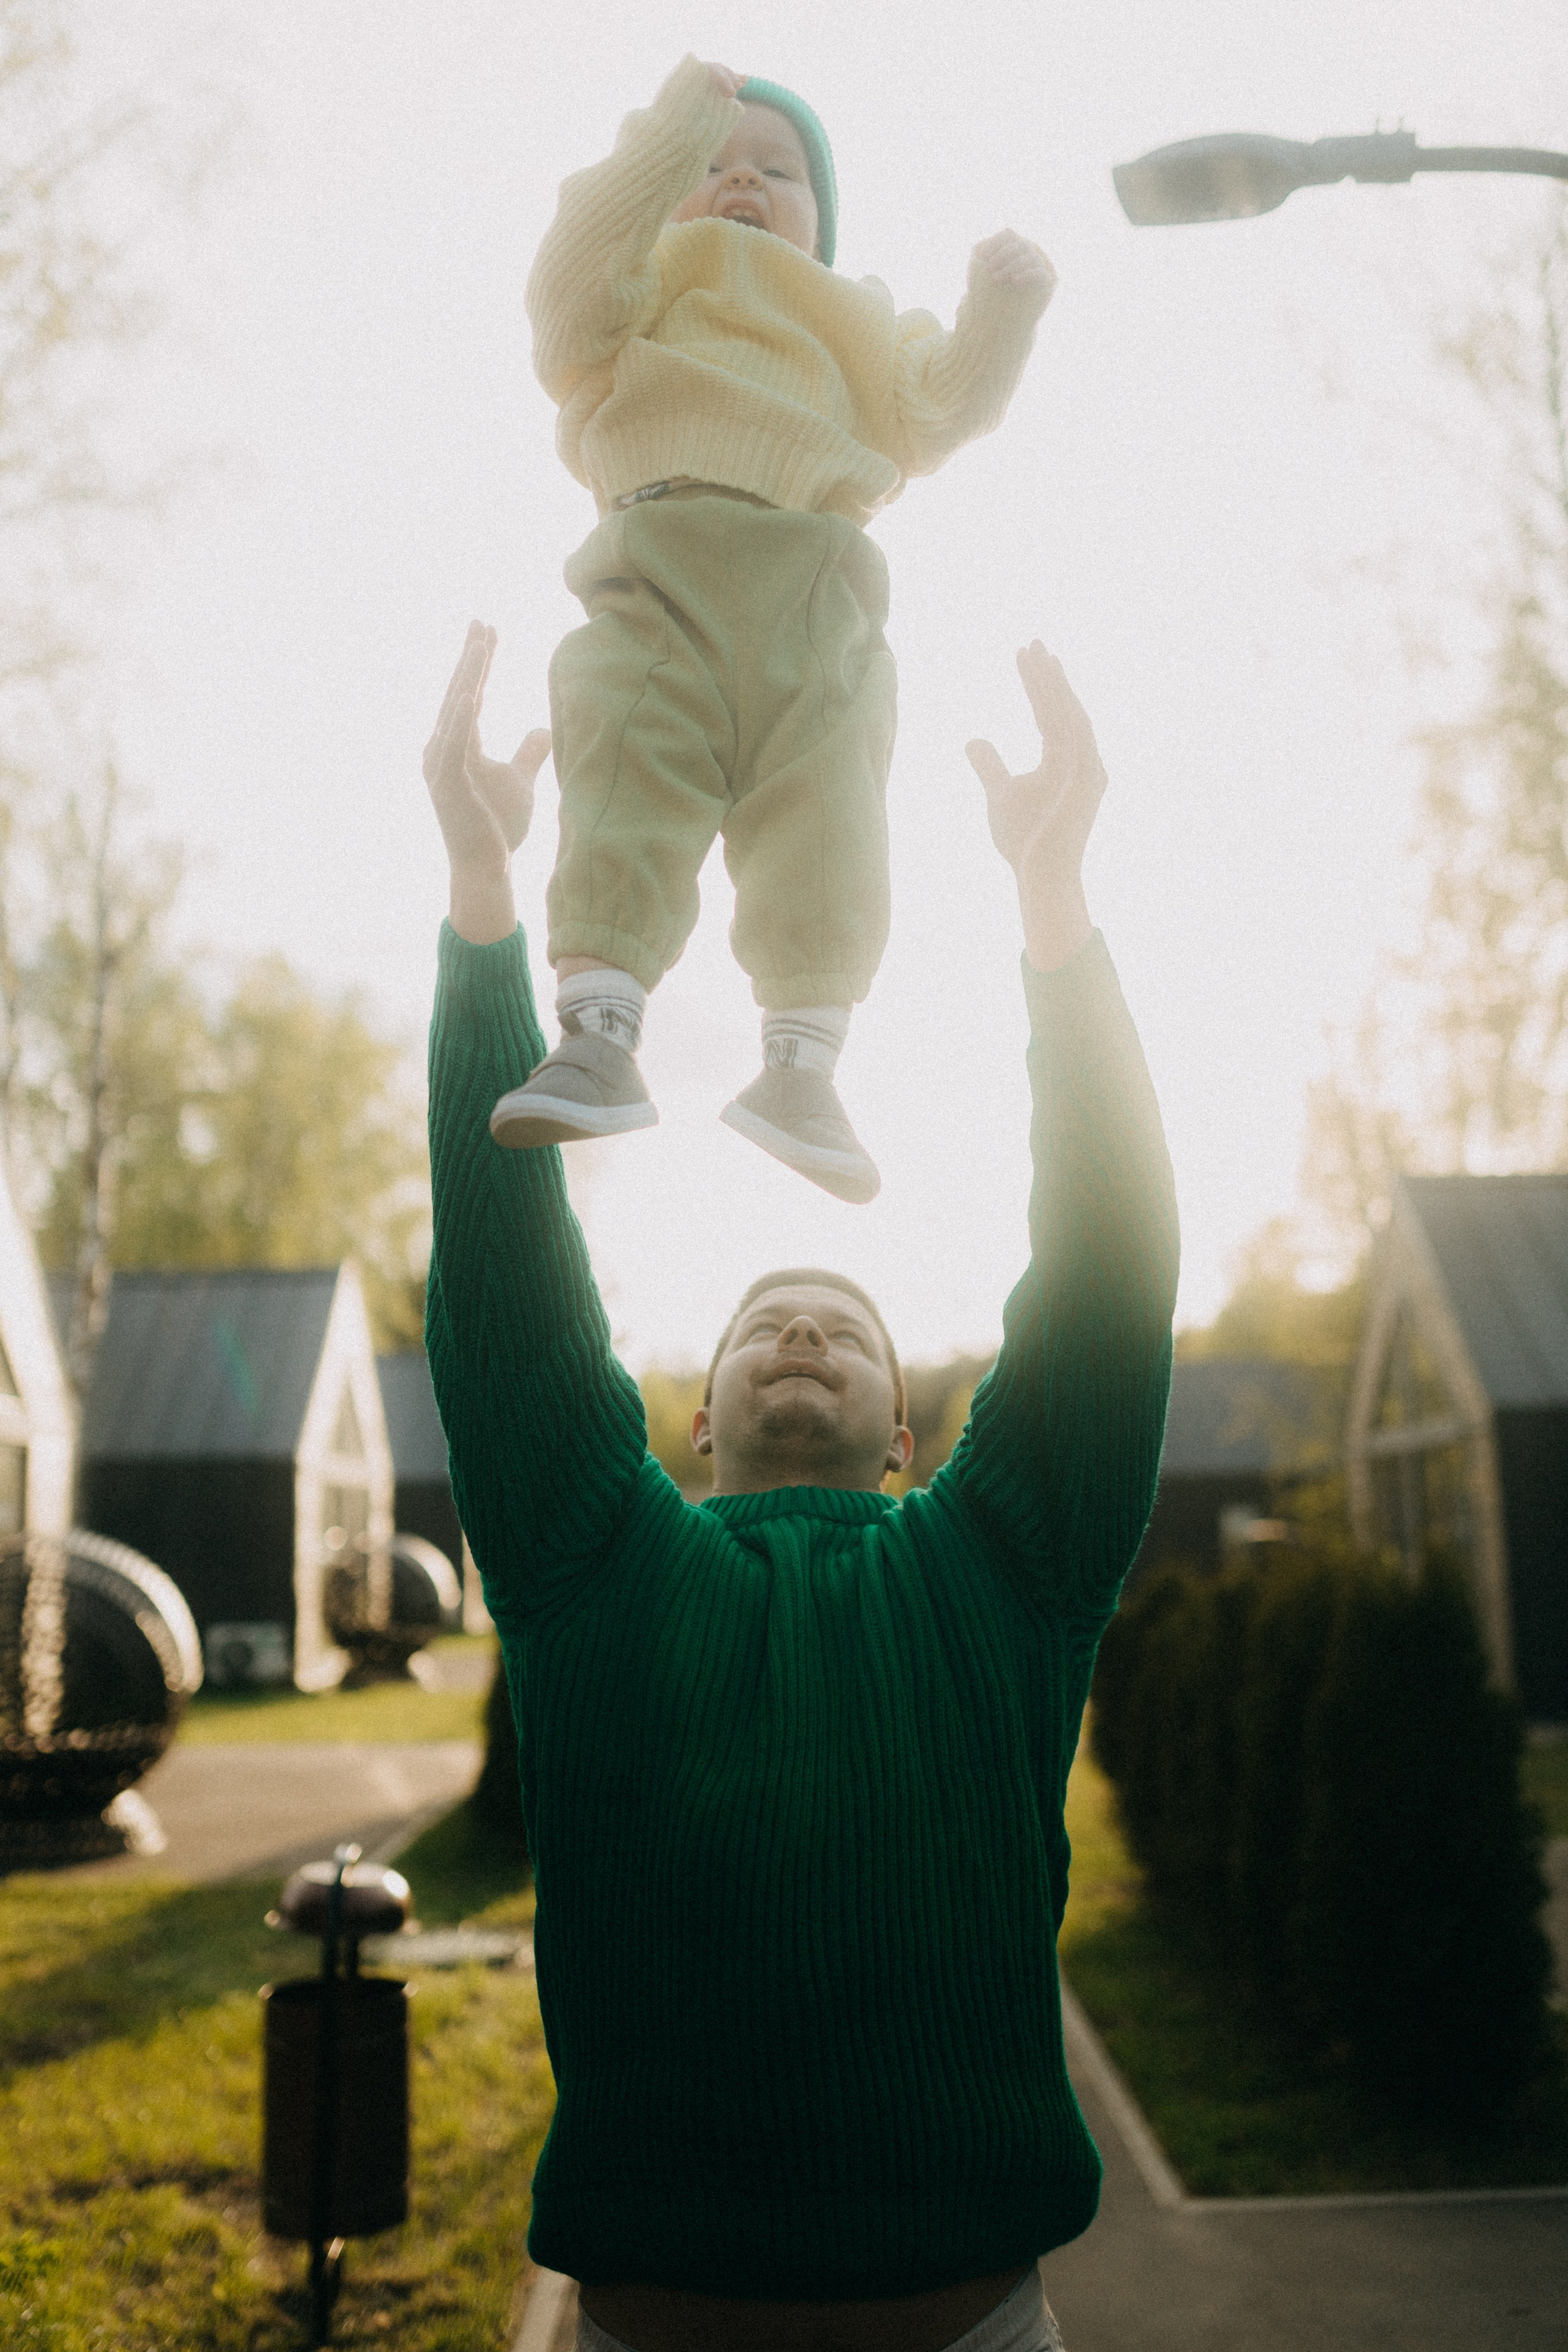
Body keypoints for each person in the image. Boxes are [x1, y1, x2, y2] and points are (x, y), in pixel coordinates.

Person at [423, 621, 1178, 2352]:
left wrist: (1056, 919)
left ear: (908, 1438)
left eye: (844, 1324)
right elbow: (504, 1279)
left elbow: (1112, 1270)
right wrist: (485, 908)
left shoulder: (1001, 1565)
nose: (802, 1334)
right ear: (694, 1428)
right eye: (767, 1320)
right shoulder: (596, 1558)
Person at [489, 57, 1057, 1204]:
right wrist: (668, 133)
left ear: (821, 224)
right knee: (622, 778)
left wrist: (1003, 312)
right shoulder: (646, 282)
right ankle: (599, 1035)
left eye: (778, 171)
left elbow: (944, 403)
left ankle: (803, 1068)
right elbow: (566, 278)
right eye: (713, 163)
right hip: (660, 575)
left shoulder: (855, 321)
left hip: (819, 597)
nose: (741, 177)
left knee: (833, 816)